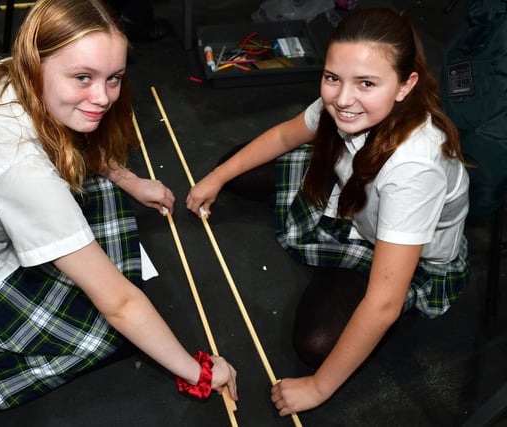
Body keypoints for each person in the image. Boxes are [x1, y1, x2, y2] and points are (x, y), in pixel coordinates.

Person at [0, 0, 237, 425]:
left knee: (96, 194)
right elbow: (120, 304)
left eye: (114, 78)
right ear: (39, 64)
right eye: (83, 77)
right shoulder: (18, 169)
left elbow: (66, 133)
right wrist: (199, 371)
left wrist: (130, 180)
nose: (102, 98)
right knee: (110, 335)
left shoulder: (8, 73)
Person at [186, 7, 469, 416]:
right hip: (356, 199)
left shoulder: (413, 169)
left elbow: (383, 303)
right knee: (236, 167)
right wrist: (216, 177)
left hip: (407, 253)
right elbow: (286, 134)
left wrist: (319, 388)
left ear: (405, 86)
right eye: (333, 77)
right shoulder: (344, 106)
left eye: (367, 83)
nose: (342, 99)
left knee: (316, 344)